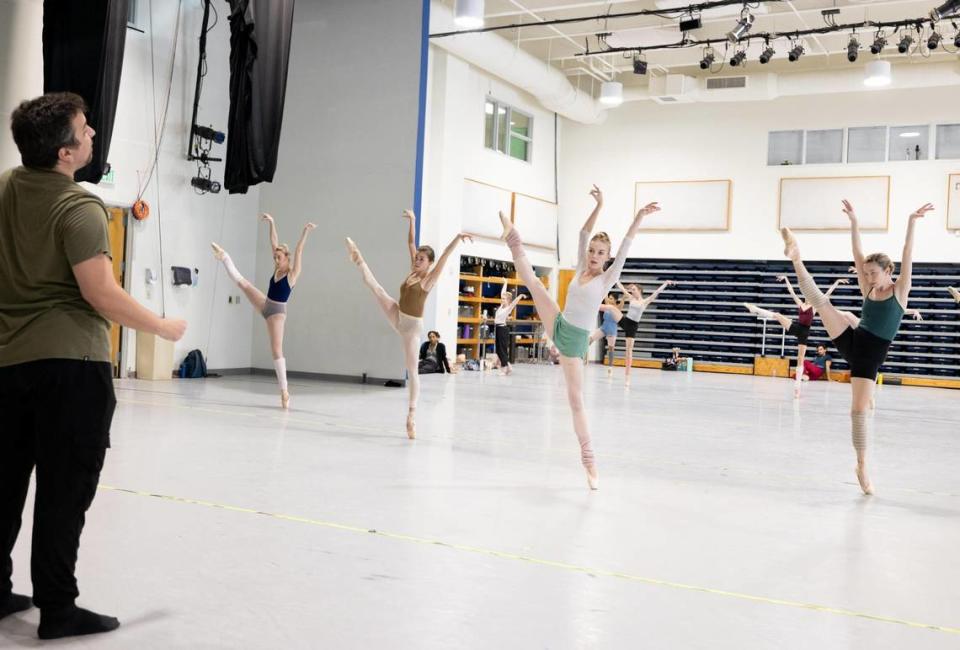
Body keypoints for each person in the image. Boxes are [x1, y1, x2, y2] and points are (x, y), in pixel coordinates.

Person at [0, 92, 187, 640]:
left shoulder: (7, 189)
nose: (92, 134)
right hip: (71, 369)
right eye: (84, 129)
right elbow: (101, 294)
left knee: (5, 484)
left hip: (8, 365)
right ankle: (58, 609)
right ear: (64, 152)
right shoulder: (79, 207)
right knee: (64, 493)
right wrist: (160, 326)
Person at [498, 184, 661, 489]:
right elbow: (583, 233)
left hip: (574, 343)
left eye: (601, 253)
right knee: (534, 283)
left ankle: (589, 460)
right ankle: (512, 236)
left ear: (607, 257)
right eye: (592, 251)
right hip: (559, 323)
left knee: (576, 402)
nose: (594, 255)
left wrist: (638, 217)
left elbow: (625, 247)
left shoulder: (607, 278)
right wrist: (599, 206)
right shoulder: (579, 270)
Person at [780, 198, 933, 495]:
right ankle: (796, 255)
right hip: (853, 339)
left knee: (857, 412)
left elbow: (907, 252)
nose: (867, 278)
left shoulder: (900, 291)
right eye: (865, 274)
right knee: (820, 302)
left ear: (889, 270)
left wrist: (912, 222)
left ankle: (861, 465)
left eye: (873, 273)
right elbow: (857, 252)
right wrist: (854, 222)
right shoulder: (868, 288)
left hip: (869, 358)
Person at [346, 210, 471, 439]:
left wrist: (457, 238)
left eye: (421, 259)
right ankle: (358, 259)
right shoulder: (413, 272)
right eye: (416, 258)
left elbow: (443, 256)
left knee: (412, 370)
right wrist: (413, 221)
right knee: (376, 289)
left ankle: (411, 416)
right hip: (399, 315)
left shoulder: (428, 279)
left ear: (429, 264)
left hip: (412, 327)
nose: (416, 260)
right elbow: (411, 242)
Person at [212, 214, 314, 409]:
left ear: (287, 258)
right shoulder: (277, 266)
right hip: (266, 303)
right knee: (243, 283)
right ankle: (224, 256)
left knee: (276, 350)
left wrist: (305, 232)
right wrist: (273, 222)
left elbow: (299, 250)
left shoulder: (292, 274)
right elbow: (273, 241)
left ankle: (284, 391)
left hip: (277, 313)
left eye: (279, 257)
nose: (275, 259)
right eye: (275, 257)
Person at [744, 276, 847, 398]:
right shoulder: (800, 303)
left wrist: (836, 282)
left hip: (804, 333)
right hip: (796, 327)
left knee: (800, 359)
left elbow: (827, 294)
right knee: (778, 315)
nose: (807, 296)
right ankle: (754, 309)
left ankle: (797, 389)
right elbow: (791, 291)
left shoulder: (814, 307)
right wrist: (786, 279)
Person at [615, 280, 675, 385]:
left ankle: (627, 377)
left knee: (629, 351)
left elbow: (656, 293)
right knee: (611, 309)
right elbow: (621, 288)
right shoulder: (631, 298)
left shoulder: (645, 302)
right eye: (631, 289)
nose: (632, 291)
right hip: (625, 321)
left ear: (639, 290)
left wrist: (665, 284)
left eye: (634, 289)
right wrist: (615, 279)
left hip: (632, 326)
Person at [492, 285, 526, 375]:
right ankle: (508, 366)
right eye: (502, 298)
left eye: (504, 299)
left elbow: (514, 303)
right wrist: (505, 282)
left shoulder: (508, 309)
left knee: (502, 350)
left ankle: (505, 369)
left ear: (507, 300)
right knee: (498, 350)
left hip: (503, 329)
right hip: (498, 329)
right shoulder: (500, 307)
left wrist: (519, 296)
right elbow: (502, 292)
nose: (502, 300)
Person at [588, 294, 623, 376]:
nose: (609, 300)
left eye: (611, 298)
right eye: (609, 298)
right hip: (603, 328)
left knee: (611, 349)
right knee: (590, 339)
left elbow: (622, 302)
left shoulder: (617, 308)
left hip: (612, 330)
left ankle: (610, 367)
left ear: (615, 300)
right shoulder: (607, 305)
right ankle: (581, 357)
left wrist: (625, 296)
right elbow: (605, 294)